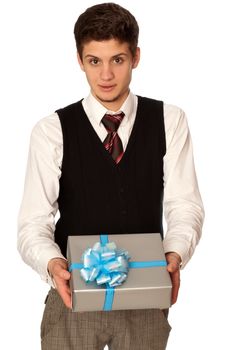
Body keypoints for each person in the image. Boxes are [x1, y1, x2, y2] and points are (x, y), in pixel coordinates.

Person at [17, 2, 204, 350]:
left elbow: (184, 204)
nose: (105, 75)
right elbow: (33, 222)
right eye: (94, 61)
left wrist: (175, 253)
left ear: (135, 56)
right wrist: (53, 263)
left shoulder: (169, 120)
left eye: (117, 59)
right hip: (72, 294)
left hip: (146, 297)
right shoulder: (51, 131)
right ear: (79, 60)